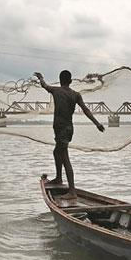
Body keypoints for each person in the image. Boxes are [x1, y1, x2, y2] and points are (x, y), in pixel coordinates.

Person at [34, 70, 105, 199]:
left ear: (60, 80)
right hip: (69, 129)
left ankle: (72, 191)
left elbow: (44, 86)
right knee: (57, 152)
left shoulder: (56, 91)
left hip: (61, 129)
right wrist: (97, 123)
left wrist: (41, 78)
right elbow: (86, 110)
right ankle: (59, 178)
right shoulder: (75, 94)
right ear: (70, 81)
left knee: (65, 158)